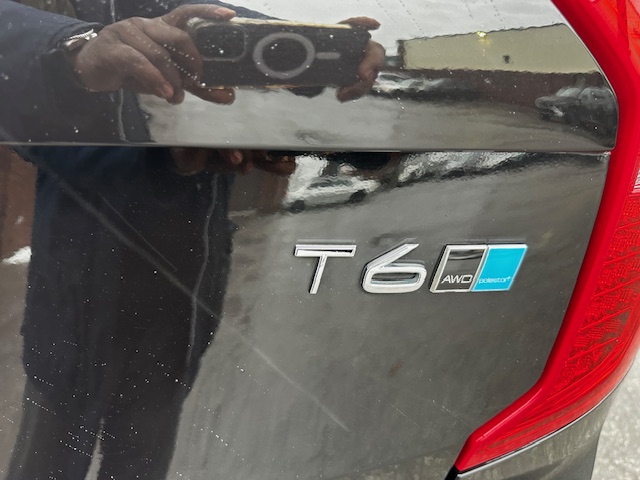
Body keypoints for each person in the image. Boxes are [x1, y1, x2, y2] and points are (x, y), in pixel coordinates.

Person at [0, 0, 385, 142]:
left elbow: (183, 13)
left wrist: (313, 41)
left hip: (179, 182)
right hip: (71, 179)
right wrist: (73, 50)